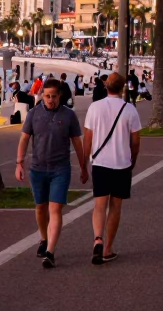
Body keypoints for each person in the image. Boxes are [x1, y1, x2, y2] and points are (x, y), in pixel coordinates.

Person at [15, 78, 88, 268]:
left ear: (60, 96)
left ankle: (50, 252)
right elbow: (24, 139)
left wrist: (83, 166)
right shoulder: (33, 114)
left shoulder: (69, 116)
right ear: (42, 96)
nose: (50, 100)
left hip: (60, 170)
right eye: (47, 96)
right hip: (37, 169)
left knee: (55, 209)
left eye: (53, 96)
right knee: (40, 208)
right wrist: (19, 163)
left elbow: (77, 143)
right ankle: (43, 238)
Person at [83, 73, 141, 264]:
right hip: (121, 164)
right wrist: (133, 159)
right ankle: (107, 248)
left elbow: (88, 139)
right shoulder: (130, 109)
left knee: (99, 205)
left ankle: (97, 238)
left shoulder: (94, 107)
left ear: (106, 86)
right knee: (115, 207)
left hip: (100, 163)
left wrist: (84, 163)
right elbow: (135, 141)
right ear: (123, 87)